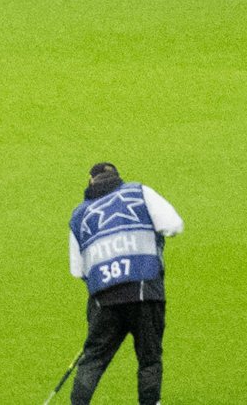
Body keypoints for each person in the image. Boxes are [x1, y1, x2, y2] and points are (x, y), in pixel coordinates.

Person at [66, 162, 183, 405]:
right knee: (149, 358)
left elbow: (77, 270)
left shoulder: (79, 215)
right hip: (144, 291)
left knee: (93, 360)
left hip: (104, 298)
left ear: (90, 181)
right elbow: (173, 225)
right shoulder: (140, 192)